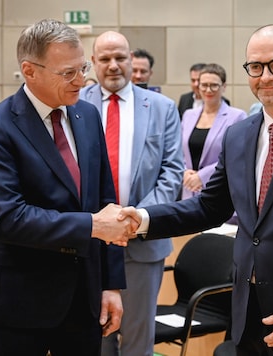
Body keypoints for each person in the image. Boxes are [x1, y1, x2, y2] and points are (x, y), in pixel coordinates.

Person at [110, 24, 273, 355]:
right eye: (255, 67)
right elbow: (209, 207)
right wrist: (143, 218)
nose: (265, 76)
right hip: (245, 316)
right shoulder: (238, 136)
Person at [0, 18, 128, 355]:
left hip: (84, 298)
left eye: (83, 67)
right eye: (68, 73)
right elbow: (7, 218)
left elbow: (106, 201)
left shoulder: (87, 115)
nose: (82, 80)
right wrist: (92, 225)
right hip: (19, 300)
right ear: (30, 71)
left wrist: (111, 284)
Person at [79, 30, 184, 356]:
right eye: (105, 59)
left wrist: (135, 220)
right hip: (89, 241)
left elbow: (172, 173)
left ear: (132, 61)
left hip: (142, 240)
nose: (113, 65)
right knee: (95, 336)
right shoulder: (75, 105)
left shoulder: (162, 107)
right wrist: (98, 224)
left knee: (138, 337)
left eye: (120, 58)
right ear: (93, 63)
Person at [181, 63, 246, 201]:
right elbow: (177, 151)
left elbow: (236, 157)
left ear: (224, 87)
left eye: (214, 85)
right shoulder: (188, 115)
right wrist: (185, 172)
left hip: (218, 190)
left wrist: (202, 176)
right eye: (204, 85)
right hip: (188, 190)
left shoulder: (237, 116)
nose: (208, 90)